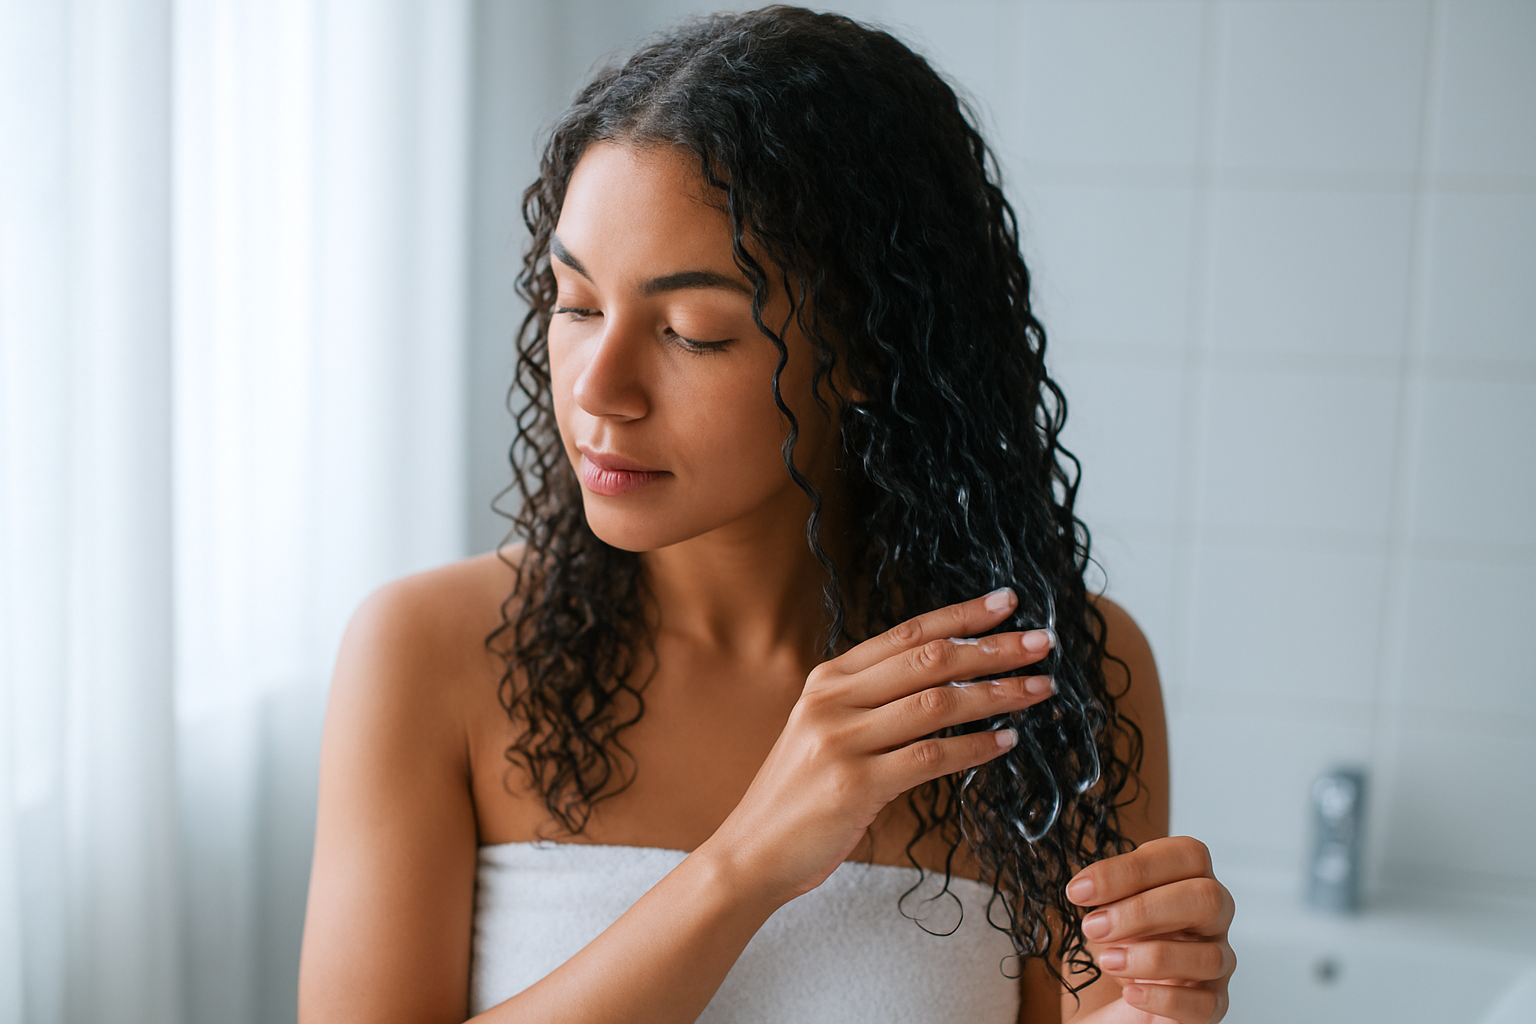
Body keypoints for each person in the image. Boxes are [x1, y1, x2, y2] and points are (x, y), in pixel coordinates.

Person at [297, 7, 1235, 1023]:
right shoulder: (430, 651)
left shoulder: (1042, 680)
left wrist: (1150, 1012)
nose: (598, 387)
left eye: (693, 332)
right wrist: (751, 859)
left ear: (870, 349)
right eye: (574, 304)